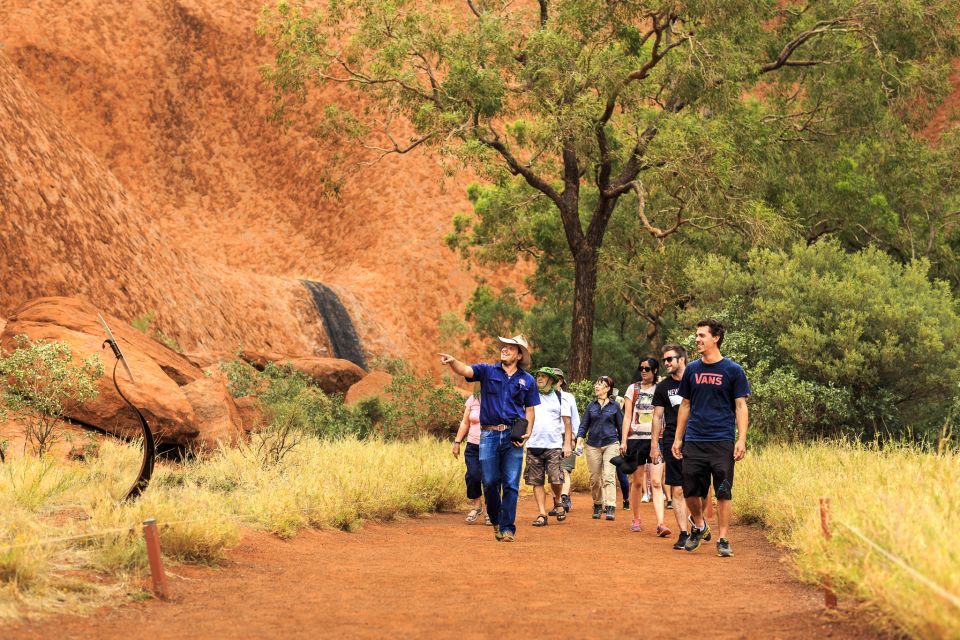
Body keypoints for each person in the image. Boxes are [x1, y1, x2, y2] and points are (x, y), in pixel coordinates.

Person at [440, 335, 540, 543]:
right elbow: (466, 370)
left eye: (511, 348)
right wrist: (453, 362)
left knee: (511, 484)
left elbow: (529, 410)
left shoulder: (527, 380)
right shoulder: (487, 371)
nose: (505, 349)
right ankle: (495, 519)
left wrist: (528, 432)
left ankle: (507, 528)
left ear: (519, 355)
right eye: (504, 347)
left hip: (513, 436)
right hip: (488, 435)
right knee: (490, 481)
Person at [672, 319, 750, 557]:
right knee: (690, 490)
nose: (697, 339)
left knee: (723, 490)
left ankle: (723, 538)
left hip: (722, 440)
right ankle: (699, 524)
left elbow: (740, 406)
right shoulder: (692, 370)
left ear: (715, 338)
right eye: (696, 335)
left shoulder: (733, 370)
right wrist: (678, 438)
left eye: (702, 335)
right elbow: (685, 405)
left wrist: (741, 439)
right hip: (695, 439)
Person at [620, 357, 670, 536]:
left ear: (655, 371)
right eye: (641, 368)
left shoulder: (661, 388)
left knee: (656, 482)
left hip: (657, 439)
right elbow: (627, 416)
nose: (643, 371)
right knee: (638, 482)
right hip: (635, 440)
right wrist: (624, 440)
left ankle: (661, 523)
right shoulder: (632, 389)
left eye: (647, 369)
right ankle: (636, 518)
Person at [651, 344, 691, 549]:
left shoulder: (695, 379)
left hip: (695, 438)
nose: (665, 363)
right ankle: (684, 533)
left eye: (669, 359)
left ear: (681, 360)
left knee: (695, 488)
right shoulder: (663, 387)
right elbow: (657, 417)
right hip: (671, 440)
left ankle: (698, 526)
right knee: (676, 489)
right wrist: (654, 446)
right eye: (665, 359)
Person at [525, 367, 573, 526]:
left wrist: (567, 444)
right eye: (538, 376)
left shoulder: (560, 398)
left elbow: (567, 423)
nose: (539, 378)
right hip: (533, 444)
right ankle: (542, 513)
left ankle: (558, 500)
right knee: (536, 481)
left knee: (556, 479)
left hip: (553, 445)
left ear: (551, 380)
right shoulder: (530, 396)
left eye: (543, 376)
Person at [576, 376, 624, 521]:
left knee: (609, 476)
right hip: (592, 445)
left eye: (600, 385)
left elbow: (621, 427)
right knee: (595, 478)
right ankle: (598, 504)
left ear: (608, 388)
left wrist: (623, 444)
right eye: (596, 384)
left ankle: (610, 506)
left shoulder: (615, 406)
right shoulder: (591, 406)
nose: (597, 387)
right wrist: (579, 442)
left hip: (611, 443)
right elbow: (583, 426)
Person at [451, 383, 491, 526]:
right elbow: (465, 423)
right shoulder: (472, 400)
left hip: (491, 445)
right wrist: (457, 442)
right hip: (472, 445)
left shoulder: (495, 399)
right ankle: (477, 506)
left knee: (490, 479)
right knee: (473, 475)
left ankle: (490, 511)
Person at [552, 368, 579, 514]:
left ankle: (563, 499)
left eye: (555, 378)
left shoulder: (569, 397)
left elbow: (575, 420)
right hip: (551, 438)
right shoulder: (543, 397)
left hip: (566, 436)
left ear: (561, 381)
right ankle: (560, 498)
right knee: (554, 473)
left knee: (565, 470)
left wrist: (573, 439)